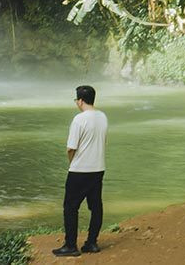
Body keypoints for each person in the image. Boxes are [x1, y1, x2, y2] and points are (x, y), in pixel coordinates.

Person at [53, 85, 108, 258]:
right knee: (96, 206)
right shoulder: (102, 117)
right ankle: (91, 242)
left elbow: (71, 148)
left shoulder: (79, 119)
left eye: (76, 100)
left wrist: (72, 164)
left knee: (70, 207)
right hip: (98, 168)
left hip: (80, 170)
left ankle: (70, 245)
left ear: (80, 101)